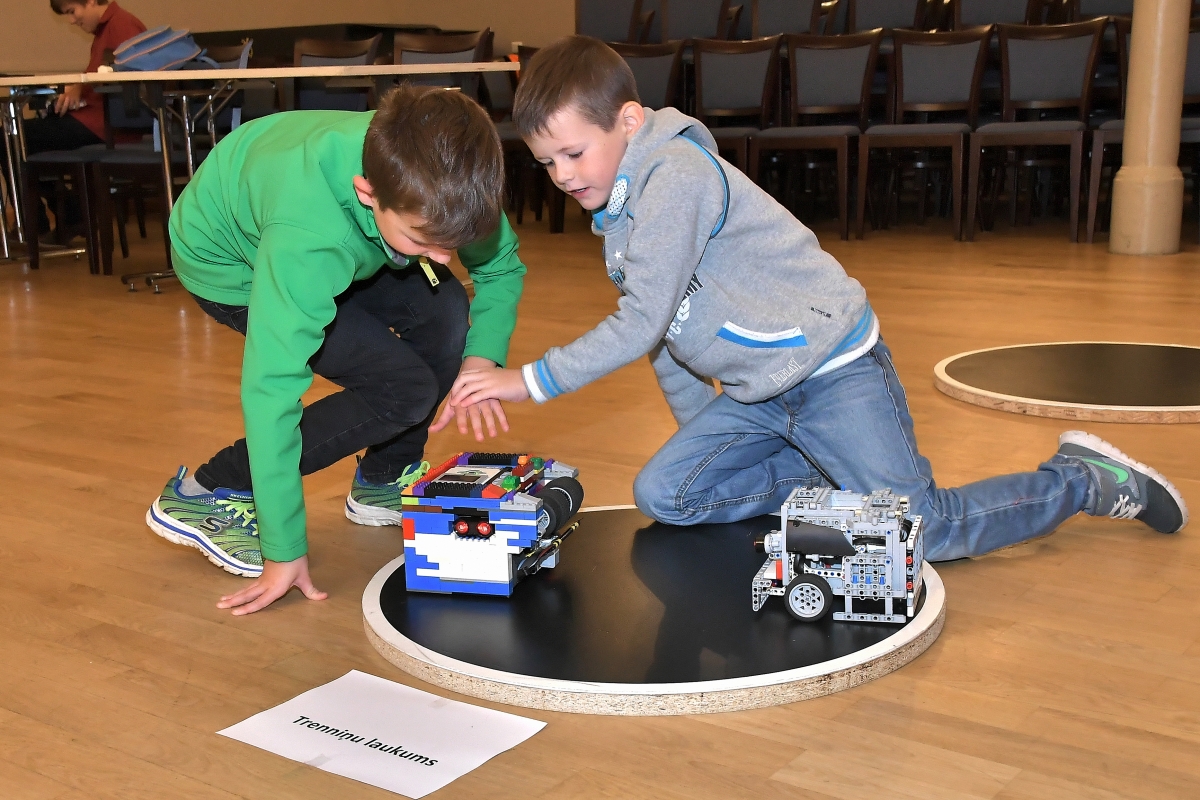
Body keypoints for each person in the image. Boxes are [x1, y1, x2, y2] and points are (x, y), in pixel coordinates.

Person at [446, 36, 1188, 563]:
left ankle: (1084, 480)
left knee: (925, 531)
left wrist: (528, 379)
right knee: (668, 494)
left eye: (574, 153)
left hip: (834, 372)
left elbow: (639, 322)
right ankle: (825, 472)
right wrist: (712, 442)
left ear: (630, 121)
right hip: (762, 395)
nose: (563, 175)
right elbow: (667, 339)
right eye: (547, 162)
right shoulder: (620, 219)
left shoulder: (674, 176)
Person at [146, 86, 524, 615]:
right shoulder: (308, 239)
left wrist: (481, 361)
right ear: (368, 193)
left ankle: (383, 477)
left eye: (454, 243)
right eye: (424, 242)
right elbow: (272, 391)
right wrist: (283, 550)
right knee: (404, 391)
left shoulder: (443, 181)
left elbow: (500, 268)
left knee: (445, 310)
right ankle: (207, 488)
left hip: (339, 229)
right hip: (234, 261)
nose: (444, 258)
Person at [22, 0, 146, 232]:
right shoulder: (107, 29)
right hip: (97, 120)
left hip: (108, 125)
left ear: (90, 1)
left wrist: (80, 87)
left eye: (72, 11)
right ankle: (67, 214)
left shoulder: (122, 25)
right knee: (19, 138)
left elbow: (131, 77)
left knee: (16, 138)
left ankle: (41, 223)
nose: (72, 20)